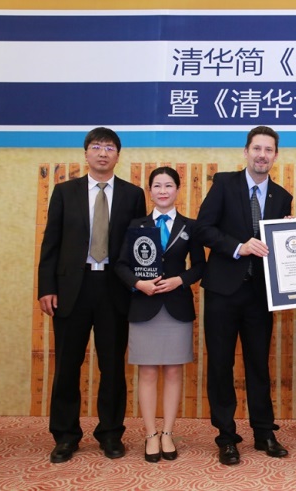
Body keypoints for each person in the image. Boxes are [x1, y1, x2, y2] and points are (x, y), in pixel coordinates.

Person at [38, 127, 146, 463]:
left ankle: (111, 434)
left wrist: (139, 284)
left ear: (118, 155)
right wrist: (46, 287)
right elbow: (51, 243)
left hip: (114, 288)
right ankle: (65, 435)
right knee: (67, 365)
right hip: (72, 288)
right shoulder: (64, 192)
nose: (103, 153)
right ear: (86, 153)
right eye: (97, 147)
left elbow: (138, 246)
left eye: (109, 148)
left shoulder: (132, 194)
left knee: (112, 367)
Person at [195, 126, 293, 465]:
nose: (262, 155)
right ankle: (226, 436)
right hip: (222, 291)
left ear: (275, 155)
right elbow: (203, 229)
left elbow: (281, 247)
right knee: (221, 365)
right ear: (246, 151)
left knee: (258, 365)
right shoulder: (224, 184)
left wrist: (289, 238)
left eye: (268, 150)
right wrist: (238, 246)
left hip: (260, 295)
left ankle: (264, 432)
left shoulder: (282, 196)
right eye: (257, 148)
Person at [115, 167, 205, 463]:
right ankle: (151, 434)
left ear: (178, 189)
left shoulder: (190, 226)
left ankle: (168, 432)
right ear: (150, 191)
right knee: (148, 371)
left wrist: (180, 280)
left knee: (174, 371)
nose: (163, 191)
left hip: (177, 306)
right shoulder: (136, 225)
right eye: (157, 186)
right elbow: (121, 264)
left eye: (168, 185)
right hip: (144, 306)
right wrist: (137, 284)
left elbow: (200, 266)